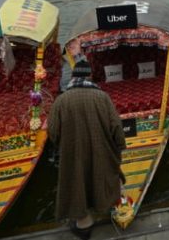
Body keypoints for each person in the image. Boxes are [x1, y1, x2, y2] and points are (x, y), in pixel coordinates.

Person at [48, 59, 126, 240]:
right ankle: (106, 206)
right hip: (101, 149)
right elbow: (116, 127)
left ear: (73, 76)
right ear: (90, 76)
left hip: (73, 153)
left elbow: (53, 131)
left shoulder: (61, 100)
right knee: (102, 174)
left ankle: (84, 223)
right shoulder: (102, 97)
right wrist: (119, 147)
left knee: (77, 183)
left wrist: (64, 144)